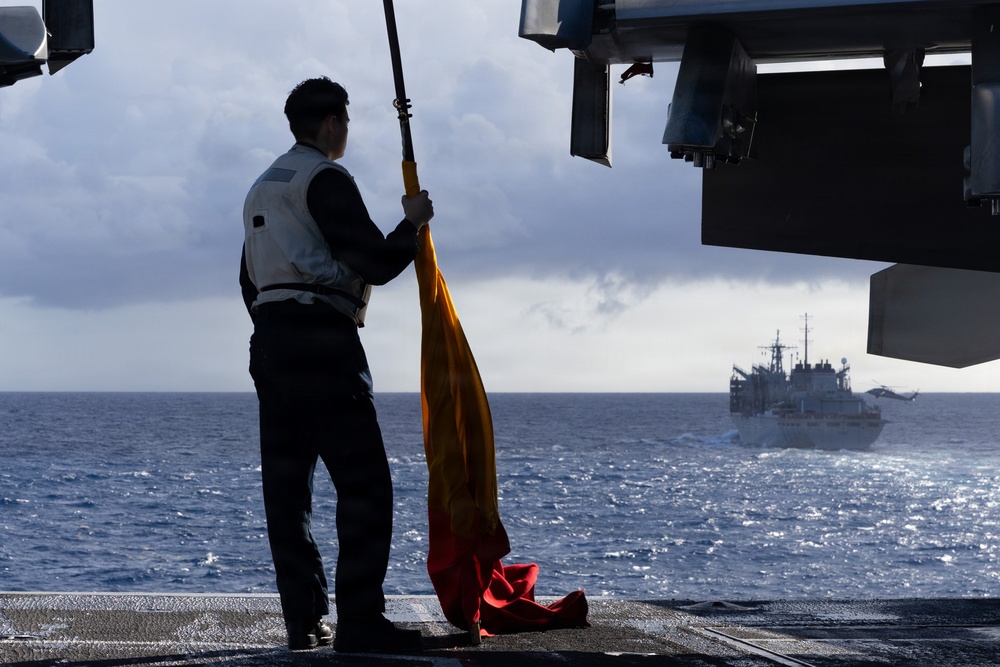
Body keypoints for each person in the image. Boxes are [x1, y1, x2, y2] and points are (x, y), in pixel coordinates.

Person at [239, 77, 433, 653]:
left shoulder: (262, 188)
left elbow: (247, 278)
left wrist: (276, 332)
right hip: (322, 340)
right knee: (365, 484)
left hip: (270, 343)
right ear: (331, 124)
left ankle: (304, 620)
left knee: (288, 490)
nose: (346, 132)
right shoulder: (324, 179)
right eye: (344, 122)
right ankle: (361, 621)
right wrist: (413, 223)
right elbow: (371, 260)